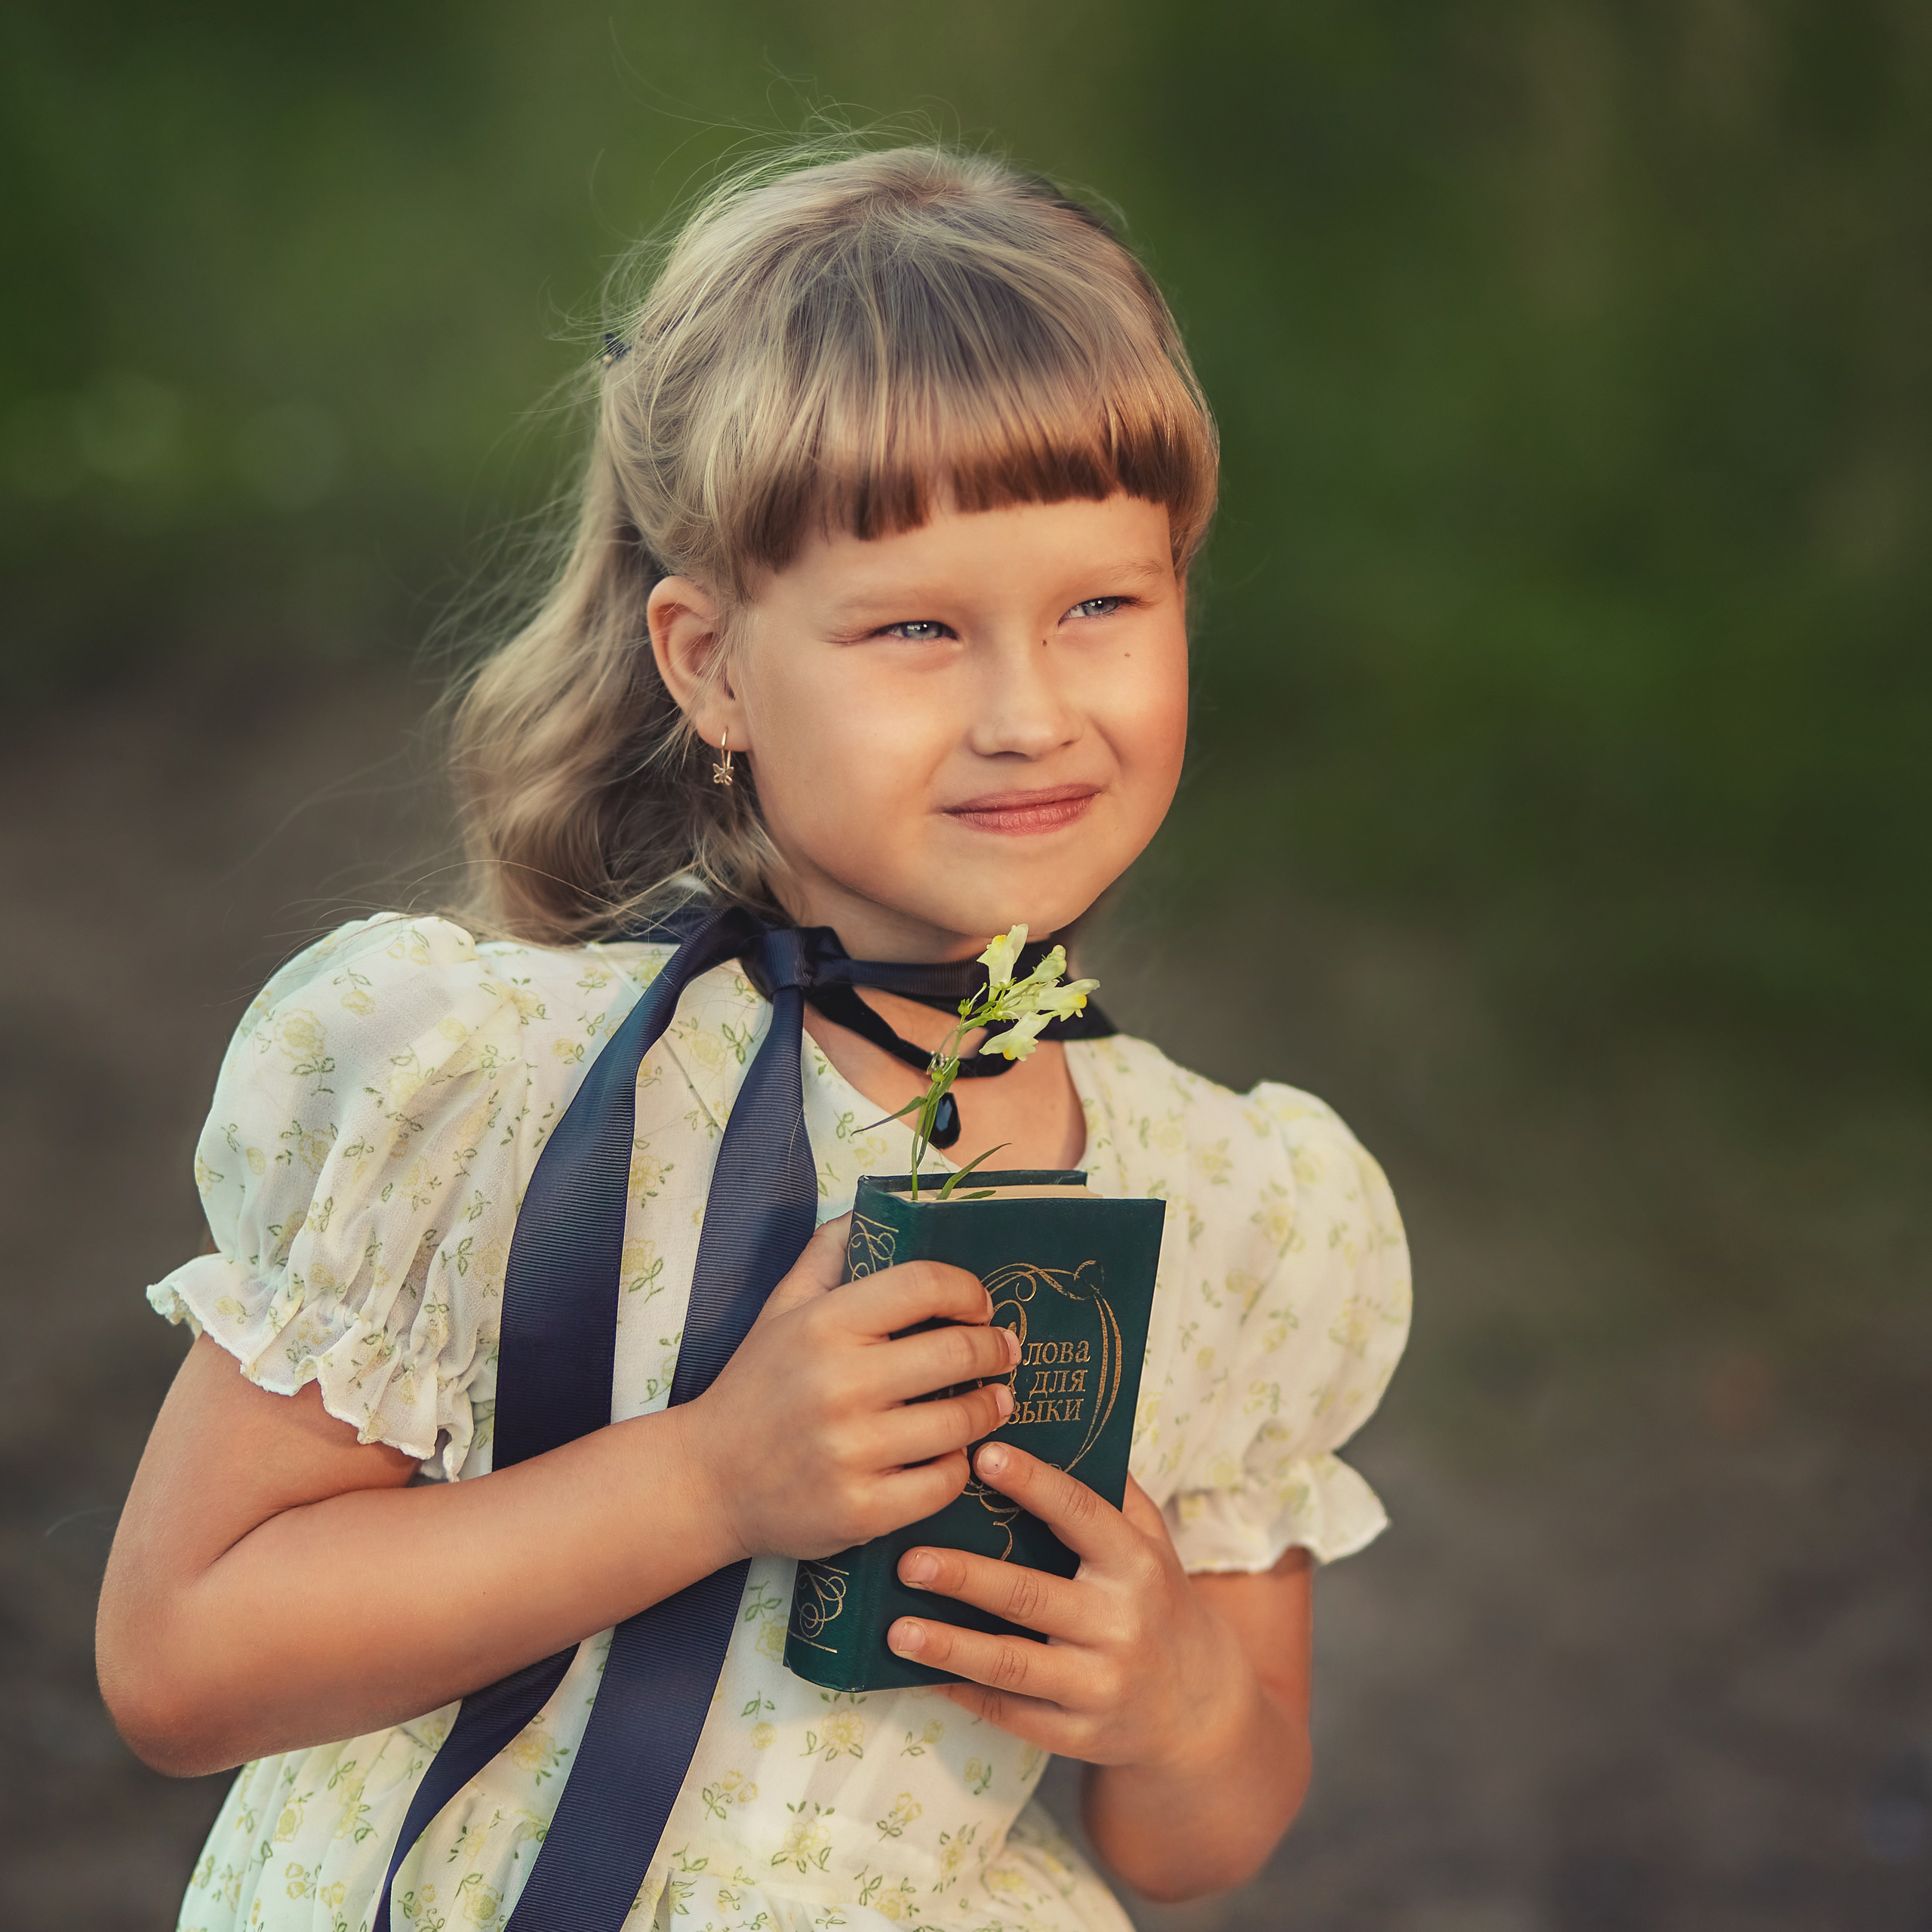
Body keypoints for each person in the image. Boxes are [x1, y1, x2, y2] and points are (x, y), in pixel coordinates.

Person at [97, 144, 1411, 1932]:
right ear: (709, 663)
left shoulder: (1239, 1207)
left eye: (1099, 605)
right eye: (917, 626)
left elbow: (1200, 1837)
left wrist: (1176, 1697)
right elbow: (180, 1662)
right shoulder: (490, 1085)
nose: (1028, 711)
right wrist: (706, 1479)